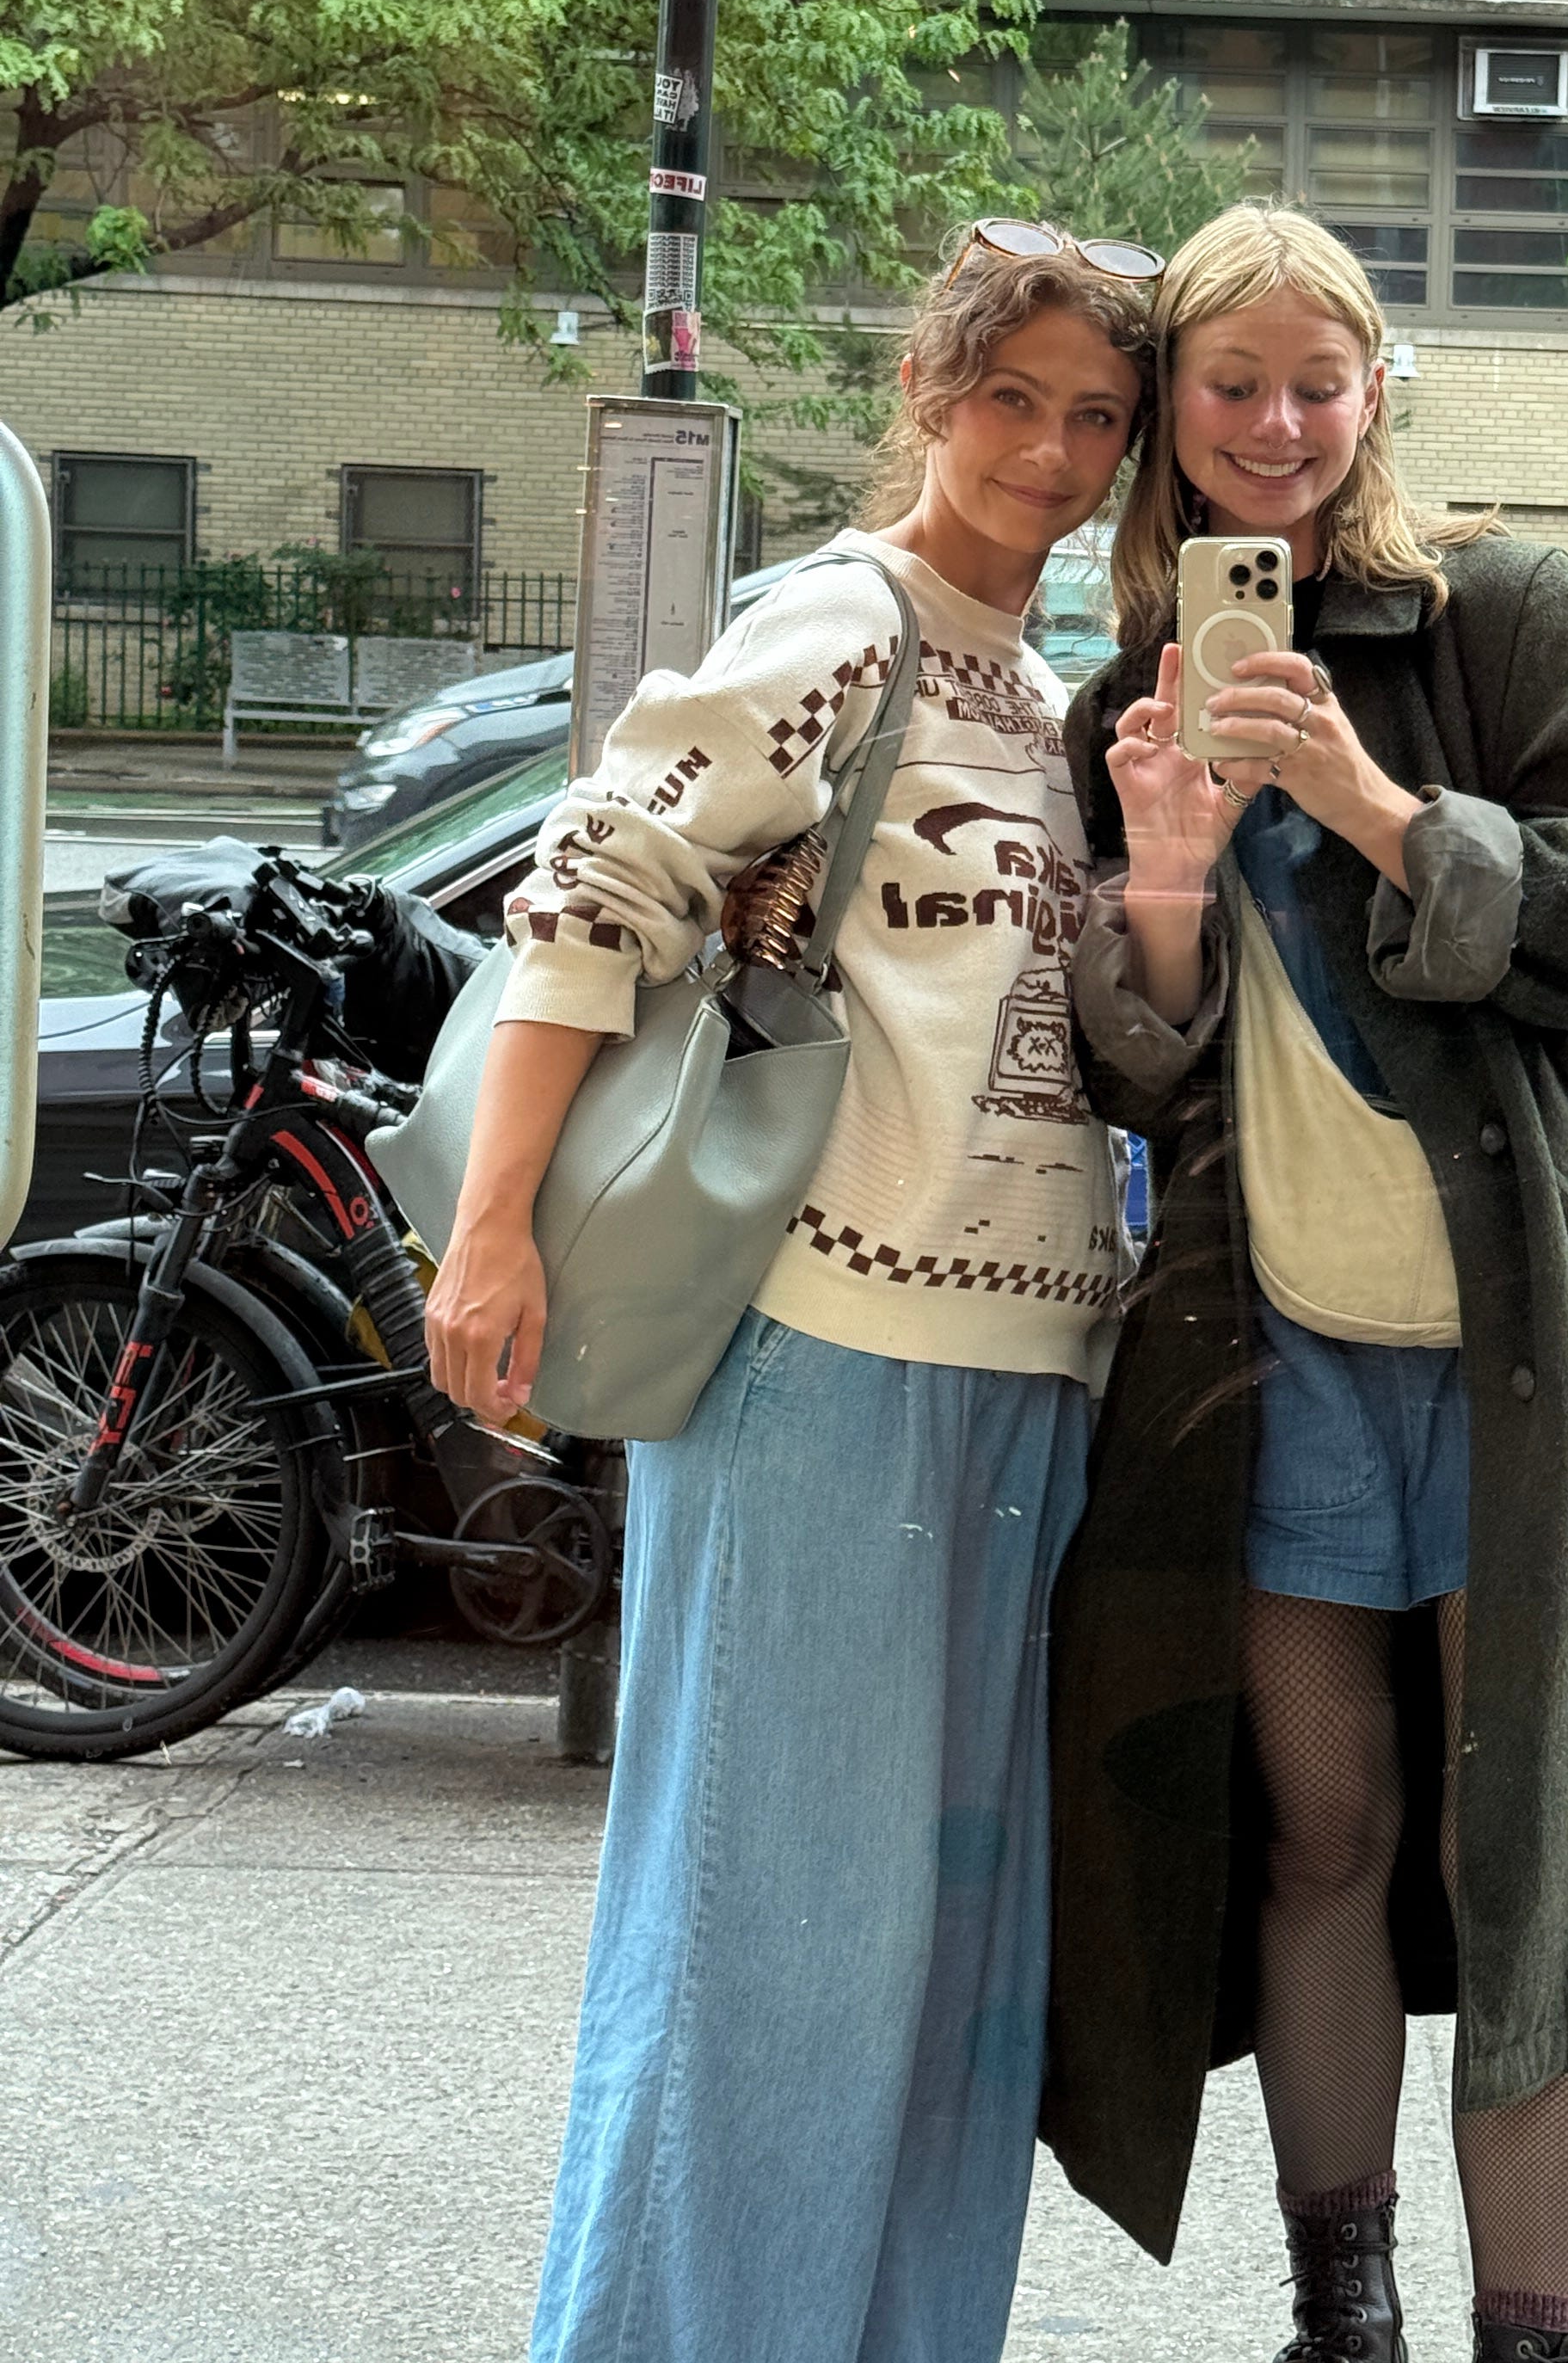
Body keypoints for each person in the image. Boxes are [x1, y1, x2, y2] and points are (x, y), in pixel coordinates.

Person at [1042, 206, 1568, 2363]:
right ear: (1174, 413)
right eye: (1233, 384)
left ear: (1377, 390)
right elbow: (1139, 1069)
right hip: (1278, 1357)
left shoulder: (1506, 609)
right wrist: (1168, 883)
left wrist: (1369, 801)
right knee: (1322, 1840)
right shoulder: (1130, 689)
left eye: (1320, 382)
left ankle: (1532, 2335)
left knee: (1522, 1865)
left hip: (1521, 1349)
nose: (1278, 425)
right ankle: (1343, 2312)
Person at [424, 225, 1159, 2363]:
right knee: (765, 1941)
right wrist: (492, 1225)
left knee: (951, 1984)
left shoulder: (1060, 687)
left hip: (1037, 1368)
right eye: (1011, 397)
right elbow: (599, 878)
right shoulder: (845, 624)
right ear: (926, 390)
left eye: (1095, 417)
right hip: (827, 1354)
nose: (1049, 452)